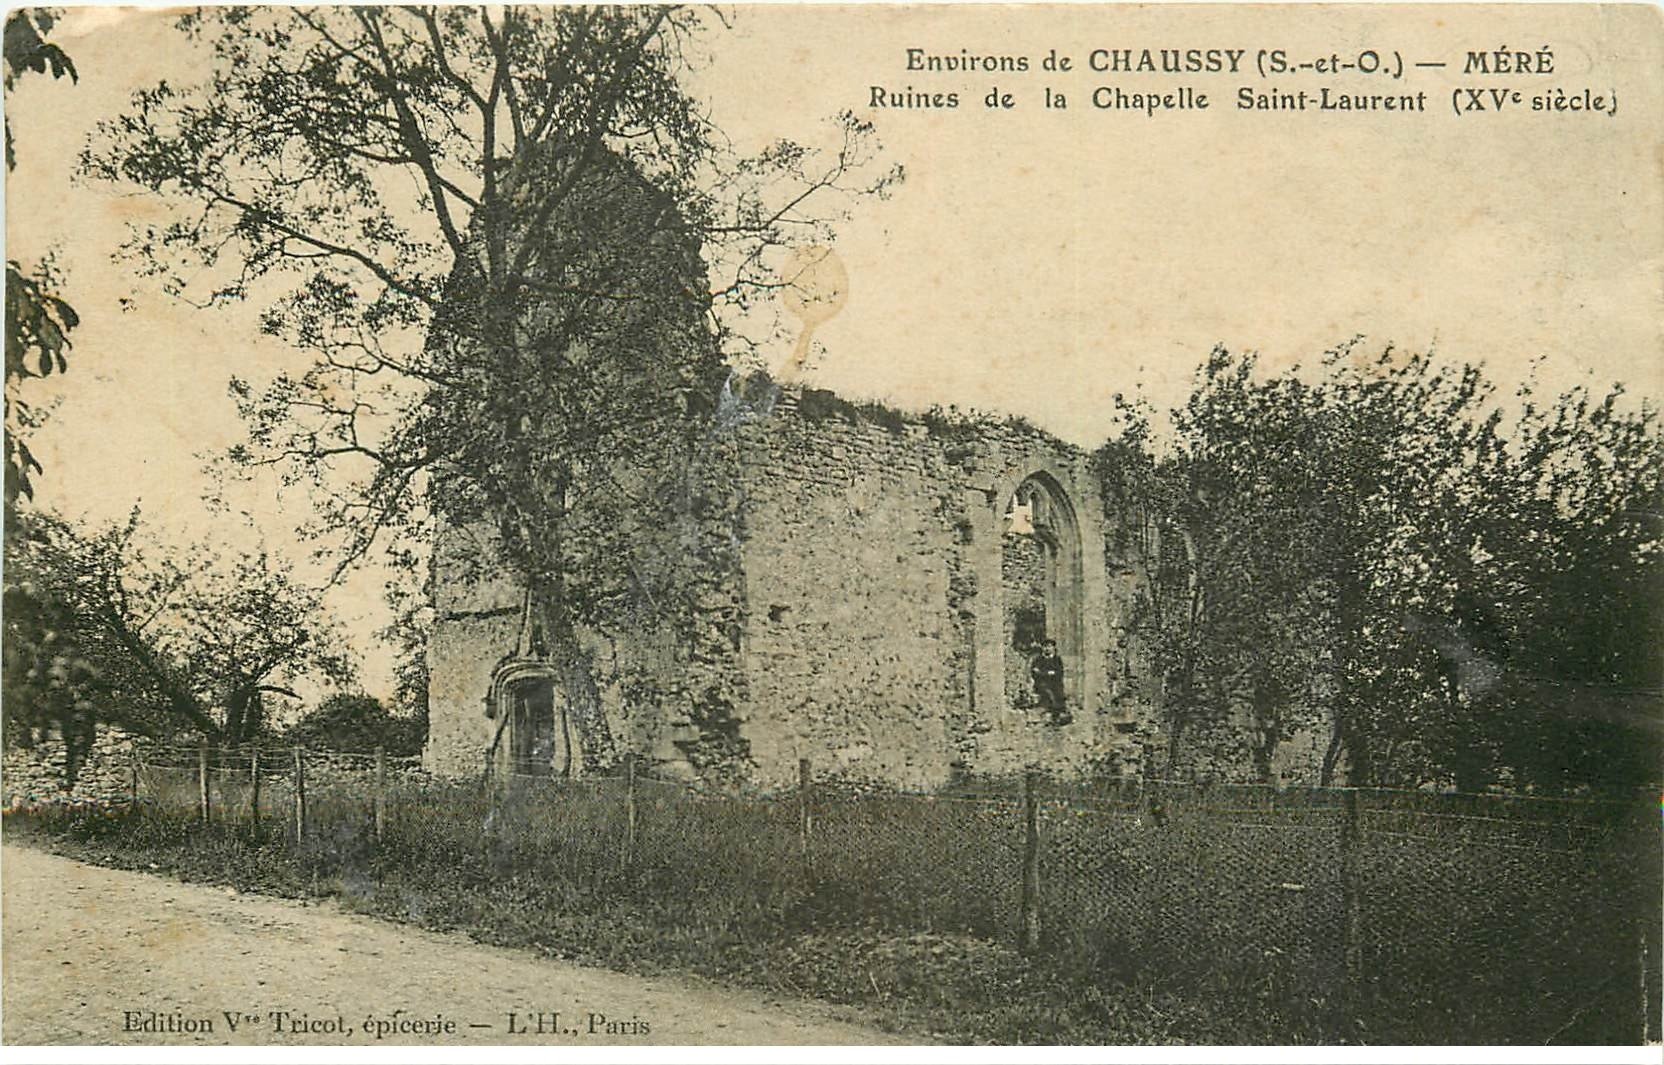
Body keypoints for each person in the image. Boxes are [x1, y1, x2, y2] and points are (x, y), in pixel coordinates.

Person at [1029, 639, 1071, 726]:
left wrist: (1044, 673)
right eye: (1045, 646)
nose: (1047, 649)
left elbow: (1059, 673)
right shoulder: (1038, 659)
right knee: (1048, 692)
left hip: (1055, 684)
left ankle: (1059, 714)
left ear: (1053, 648)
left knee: (1058, 692)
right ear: (1042, 648)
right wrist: (1049, 673)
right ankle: (1056, 714)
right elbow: (1035, 673)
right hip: (1041, 684)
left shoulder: (1057, 660)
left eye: (1049, 646)